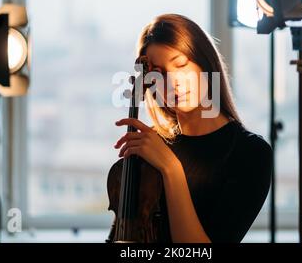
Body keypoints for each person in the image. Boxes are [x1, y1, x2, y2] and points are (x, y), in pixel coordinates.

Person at [112, 14, 272, 243]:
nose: (173, 82)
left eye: (180, 64)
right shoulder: (150, 147)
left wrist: (171, 168)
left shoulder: (251, 154)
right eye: (159, 74)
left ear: (205, 63)